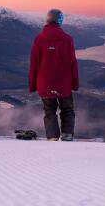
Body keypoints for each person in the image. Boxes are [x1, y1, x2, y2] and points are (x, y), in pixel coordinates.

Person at [29, 9, 79, 141]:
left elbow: (33, 64)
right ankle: (67, 135)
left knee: (49, 111)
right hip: (64, 83)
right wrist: (75, 84)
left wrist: (32, 85)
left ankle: (52, 138)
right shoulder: (67, 39)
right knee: (67, 110)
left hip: (44, 83)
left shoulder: (39, 39)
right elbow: (72, 63)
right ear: (59, 20)